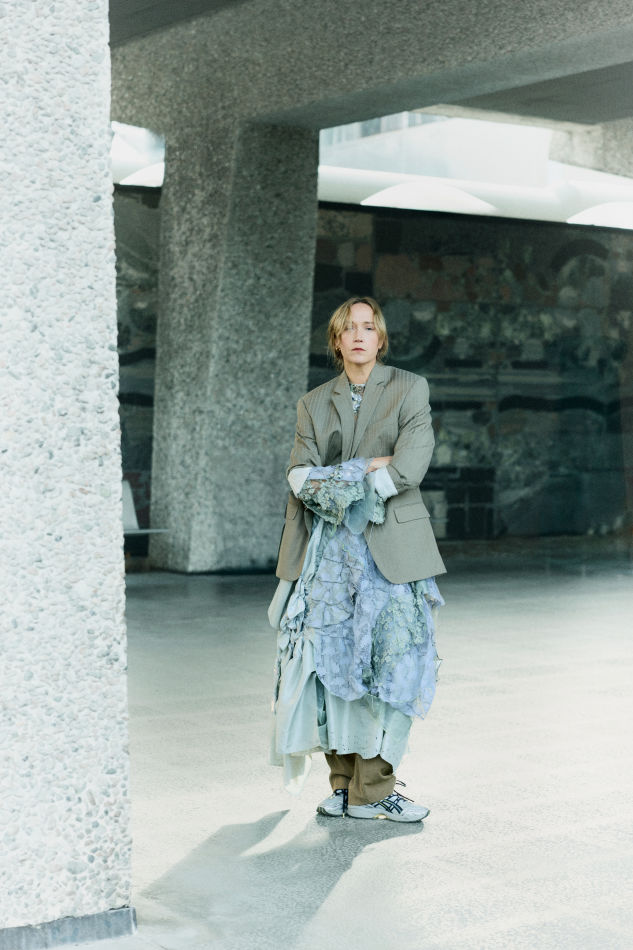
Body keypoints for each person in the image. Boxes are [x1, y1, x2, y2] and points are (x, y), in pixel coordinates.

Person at [269, 296, 446, 822]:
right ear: (337, 340)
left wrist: (340, 478)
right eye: (349, 328)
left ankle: (376, 788)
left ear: (380, 337)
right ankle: (344, 787)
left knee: (390, 663)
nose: (359, 335)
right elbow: (298, 477)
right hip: (328, 558)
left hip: (391, 551)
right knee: (331, 664)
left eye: (368, 327)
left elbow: (411, 465)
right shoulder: (312, 403)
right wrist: (367, 466)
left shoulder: (410, 388)